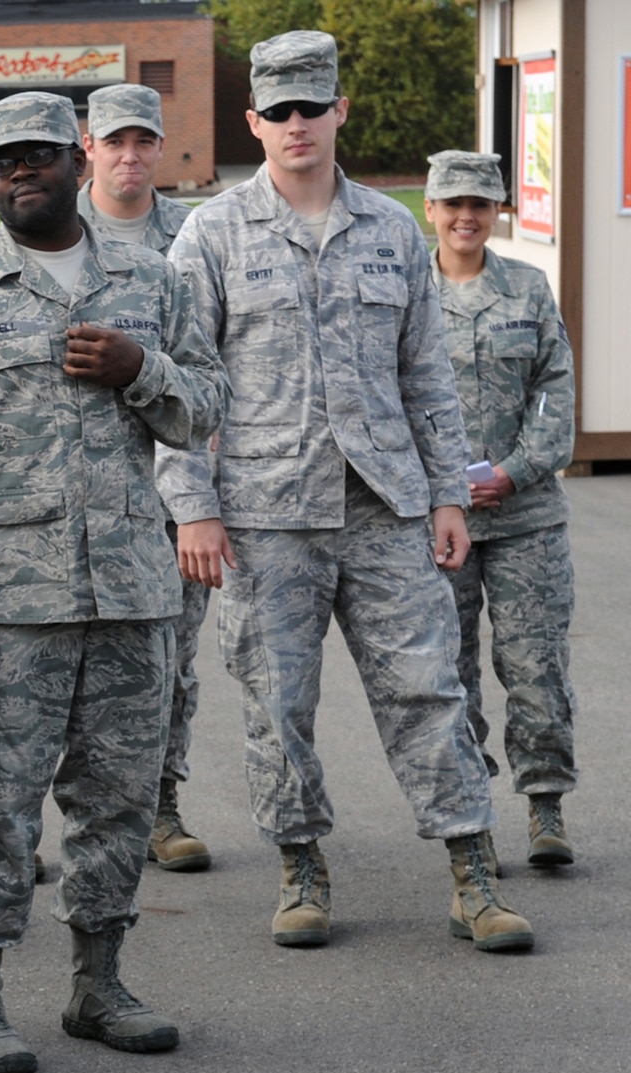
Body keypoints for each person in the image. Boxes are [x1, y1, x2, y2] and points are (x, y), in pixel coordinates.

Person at [157, 31, 534, 952]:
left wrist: (447, 493)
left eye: (310, 107)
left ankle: (471, 870)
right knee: (277, 702)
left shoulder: (392, 229)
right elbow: (177, 383)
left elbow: (427, 377)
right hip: (263, 513)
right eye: (277, 111)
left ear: (339, 113)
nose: (296, 125)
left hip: (383, 505)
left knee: (428, 689)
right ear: (253, 122)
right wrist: (193, 505)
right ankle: (299, 864)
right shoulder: (210, 234)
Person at [0, 92, 228, 1073]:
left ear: (77, 161)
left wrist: (139, 368)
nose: (17, 176)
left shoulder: (148, 281)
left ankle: (97, 983)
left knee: (118, 802)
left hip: (129, 592)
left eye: (35, 157)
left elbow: (199, 409)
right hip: (9, 610)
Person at [423, 149, 578, 864]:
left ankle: (545, 804)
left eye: (479, 205)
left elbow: (555, 392)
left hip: (525, 519)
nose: (465, 217)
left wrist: (514, 472)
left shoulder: (527, 288)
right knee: (444, 676)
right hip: (436, 521)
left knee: (535, 666)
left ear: (497, 212)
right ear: (430, 209)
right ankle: (470, 811)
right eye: (452, 204)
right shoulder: (405, 293)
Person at [76, 82, 212, 876]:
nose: (130, 156)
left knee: (169, 664)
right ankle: (67, 815)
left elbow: (210, 375)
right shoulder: (55, 230)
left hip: (172, 497)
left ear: (160, 148)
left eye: (143, 142)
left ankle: (159, 805)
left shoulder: (195, 238)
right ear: (87, 147)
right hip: (79, 494)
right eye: (114, 141)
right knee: (57, 668)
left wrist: (200, 499)